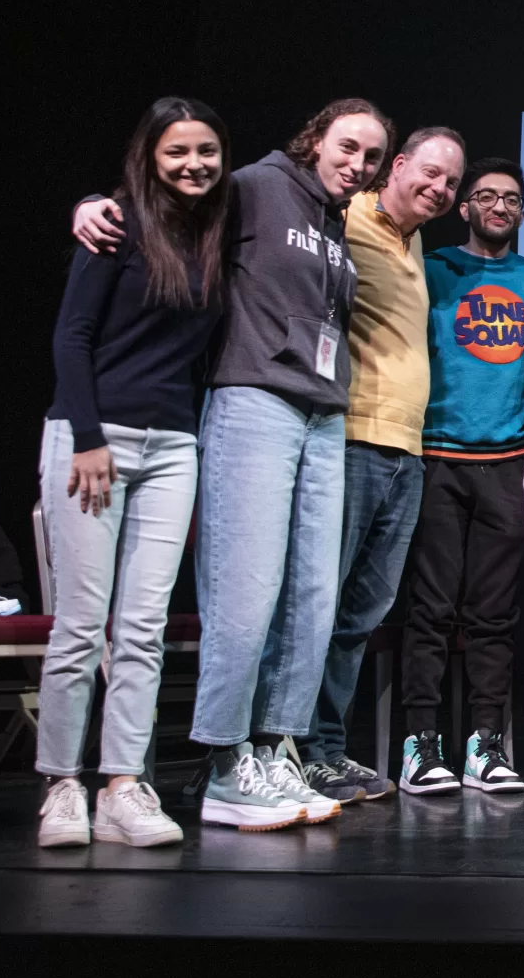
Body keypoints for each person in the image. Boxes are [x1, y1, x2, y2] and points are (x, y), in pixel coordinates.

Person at [74, 97, 393, 830]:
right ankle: (222, 761)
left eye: (371, 158)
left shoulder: (334, 220)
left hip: (323, 413)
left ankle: (274, 749)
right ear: (316, 138)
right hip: (254, 400)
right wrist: (95, 204)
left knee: (311, 596)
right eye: (348, 148)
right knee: (245, 592)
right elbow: (170, 199)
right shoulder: (255, 185)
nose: (358, 165)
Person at [35, 98, 232, 847]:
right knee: (81, 626)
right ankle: (60, 785)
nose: (194, 165)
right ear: (149, 157)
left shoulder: (215, 231)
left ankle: (123, 783)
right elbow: (72, 336)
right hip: (95, 440)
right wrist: (86, 435)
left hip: (174, 446)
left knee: (144, 627)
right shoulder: (114, 225)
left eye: (207, 151)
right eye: (177, 152)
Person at [297, 126, 465, 802]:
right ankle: (283, 746)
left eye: (449, 182)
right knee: (318, 603)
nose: (439, 189)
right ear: (395, 166)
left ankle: (325, 750)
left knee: (361, 613)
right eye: (429, 173)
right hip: (352, 440)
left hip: (408, 449)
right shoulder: (344, 214)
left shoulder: (414, 236)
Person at [392, 159, 524, 796]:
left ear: (523, 211)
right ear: (466, 207)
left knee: (492, 615)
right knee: (429, 610)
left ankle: (485, 742)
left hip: (507, 464)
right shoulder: (432, 268)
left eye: (511, 198)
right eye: (486, 197)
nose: (499, 206)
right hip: (437, 457)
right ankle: (421, 743)